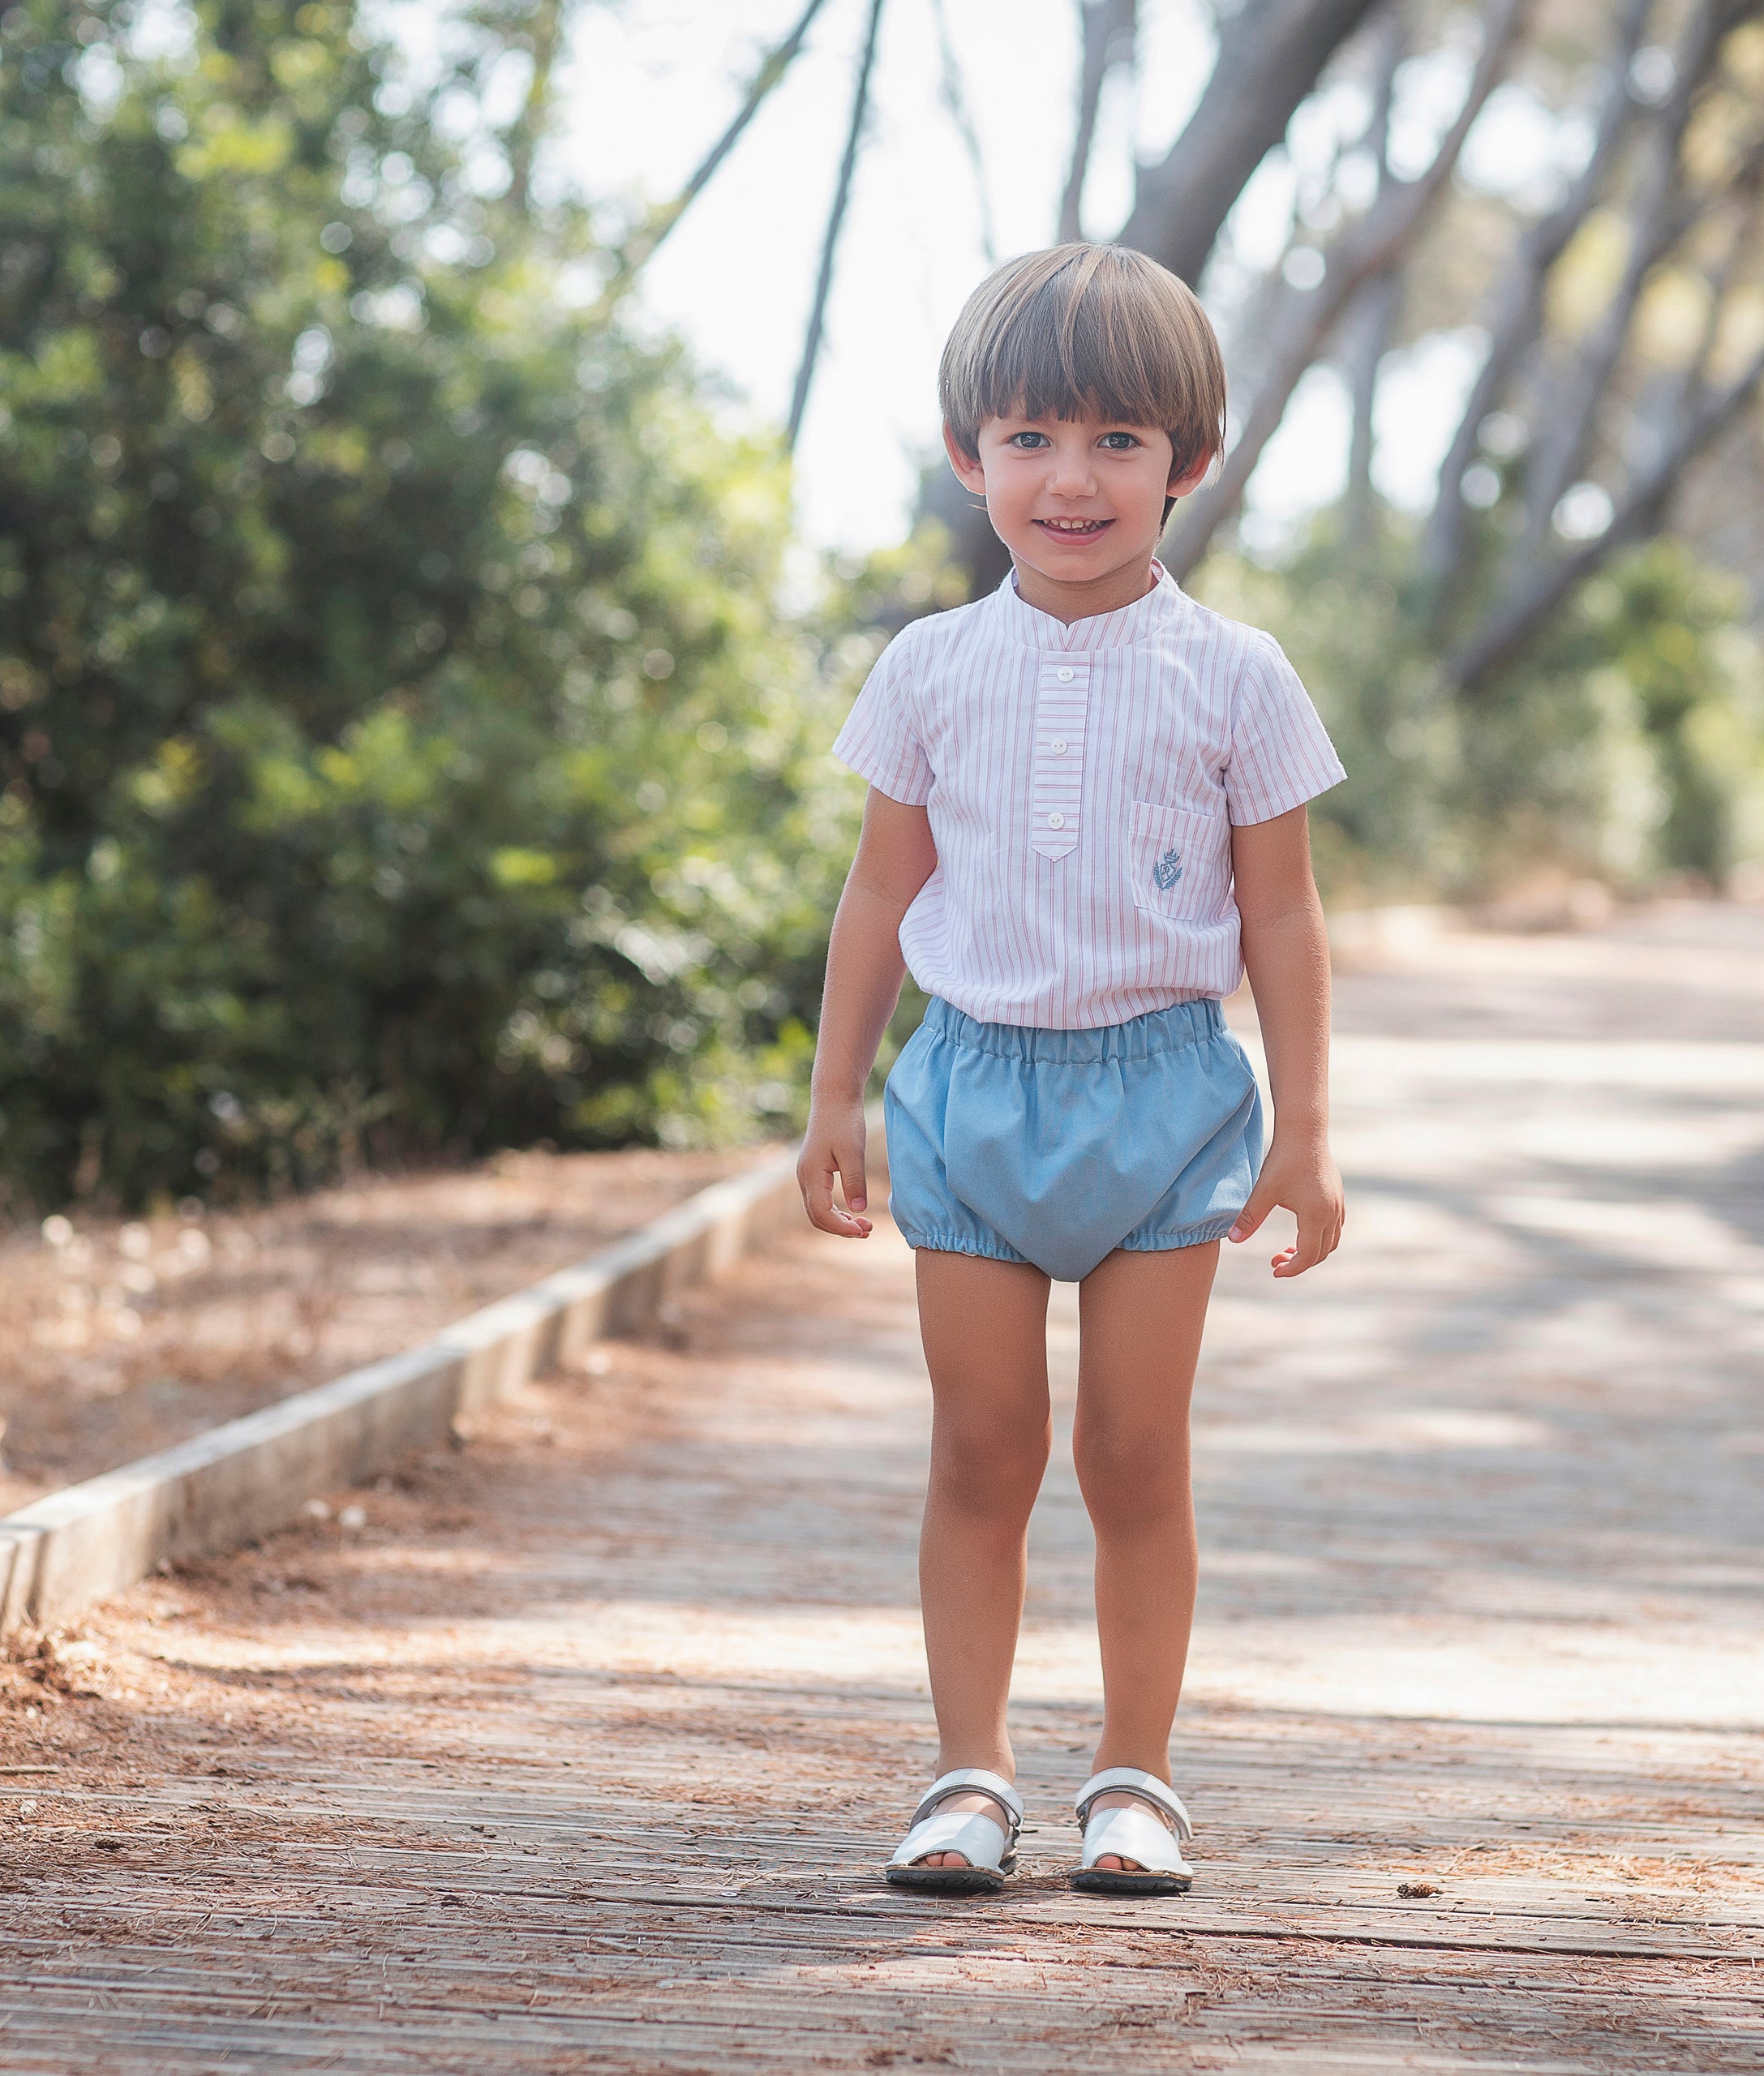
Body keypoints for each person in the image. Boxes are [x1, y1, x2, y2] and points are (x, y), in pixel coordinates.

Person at [796, 242, 1346, 1898]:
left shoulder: (1238, 674)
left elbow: (1284, 914)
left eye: (1119, 439)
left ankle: (1136, 1776)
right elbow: (879, 890)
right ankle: (969, 1775)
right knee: (981, 1450)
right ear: (968, 457)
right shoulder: (928, 667)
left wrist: (1308, 1130)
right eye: (1030, 436)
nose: (1072, 478)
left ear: (1193, 459)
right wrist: (832, 1096)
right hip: (968, 1099)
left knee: (1132, 1452)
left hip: (1164, 1106)